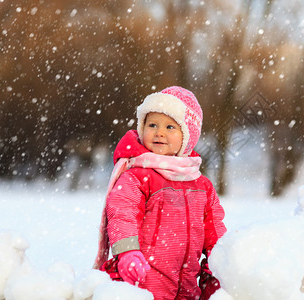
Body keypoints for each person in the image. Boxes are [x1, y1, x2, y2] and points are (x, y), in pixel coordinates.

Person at [93, 86, 227, 299]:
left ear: (187, 136)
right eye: (152, 124)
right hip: (144, 281)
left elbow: (215, 231)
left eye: (170, 127)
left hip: (188, 286)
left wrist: (220, 264)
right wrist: (127, 252)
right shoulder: (137, 176)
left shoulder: (202, 186)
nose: (159, 132)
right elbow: (122, 213)